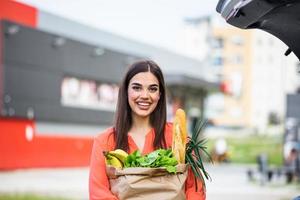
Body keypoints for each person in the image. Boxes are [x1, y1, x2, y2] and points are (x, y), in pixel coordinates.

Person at [89, 60, 206, 200]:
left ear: (160, 94)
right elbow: (98, 193)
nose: (145, 95)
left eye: (152, 89)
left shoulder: (179, 138)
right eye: (137, 88)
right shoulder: (105, 141)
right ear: (125, 91)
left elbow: (196, 189)